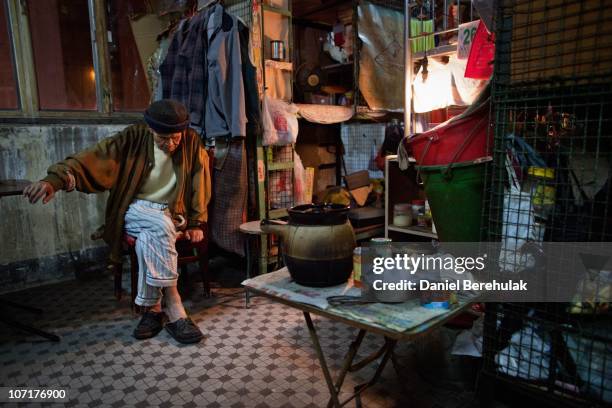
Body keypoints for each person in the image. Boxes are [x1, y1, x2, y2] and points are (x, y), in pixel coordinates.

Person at [23, 99, 211, 344]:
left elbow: (200, 181)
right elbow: (93, 158)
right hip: (135, 209)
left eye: (176, 137)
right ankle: (175, 308)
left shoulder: (191, 141)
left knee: (149, 238)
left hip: (171, 213)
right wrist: (54, 181)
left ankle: (152, 310)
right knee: (160, 226)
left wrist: (196, 221)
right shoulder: (132, 138)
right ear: (150, 129)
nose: (172, 144)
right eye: (164, 138)